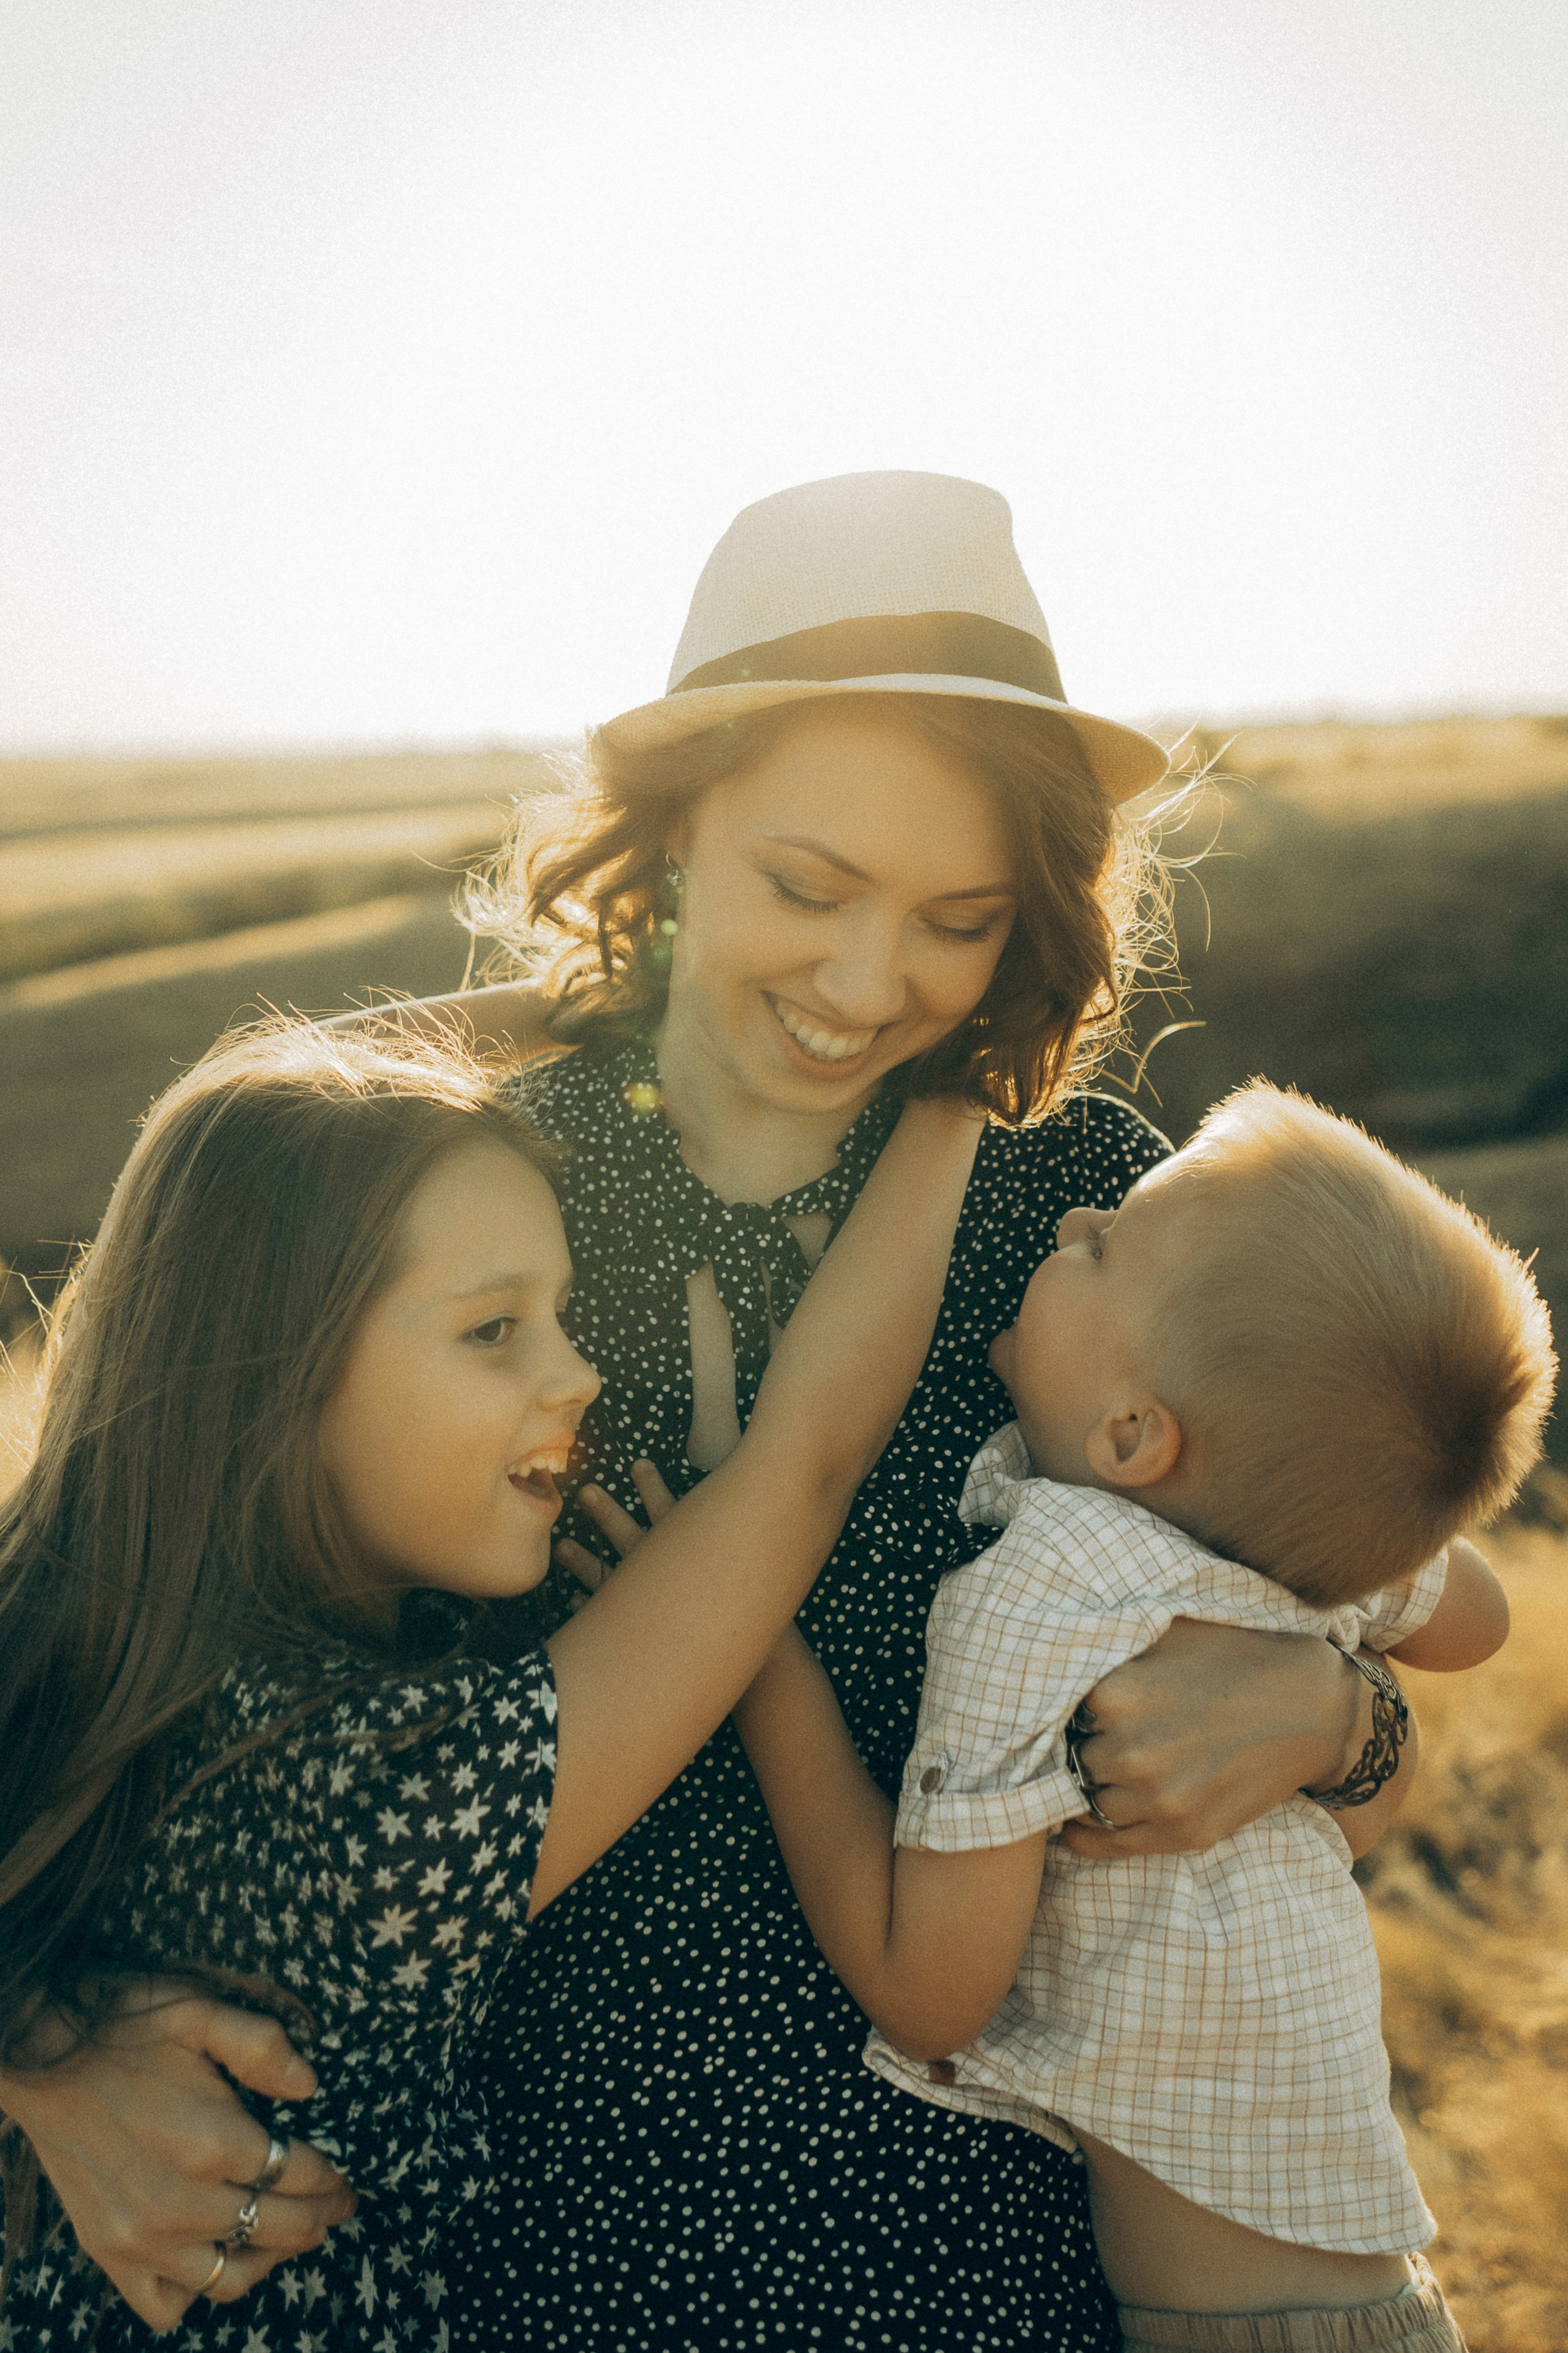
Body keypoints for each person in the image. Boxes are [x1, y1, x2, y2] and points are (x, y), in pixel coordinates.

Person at [0, 474, 1431, 2351]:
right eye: (802, 887)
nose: (863, 984)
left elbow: (1361, 1571)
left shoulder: (1079, 1206)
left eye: (953, 920)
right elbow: (101, 1620)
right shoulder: (477, 1197)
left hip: (1009, 2256)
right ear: (673, 837)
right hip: (544, 2263)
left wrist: (1339, 1714)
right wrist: (42, 2054)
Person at [0, 1021, 981, 2345]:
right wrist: (961, 1076)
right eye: (495, 1329)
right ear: (272, 1375)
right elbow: (802, 1458)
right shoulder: (377, 1795)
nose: (576, 1374)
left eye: (563, 1316)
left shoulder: (98, 1648)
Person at [715, 1084, 1553, 2353]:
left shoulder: (1043, 1593)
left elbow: (927, 1992)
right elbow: (1473, 1617)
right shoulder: (1272, 1507)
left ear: (1128, 1432)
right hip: (1378, 2311)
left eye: (1100, 1246)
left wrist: (754, 1645)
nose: (1071, 1218)